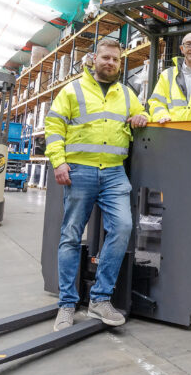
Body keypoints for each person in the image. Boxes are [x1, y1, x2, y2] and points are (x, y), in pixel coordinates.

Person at [44, 37, 148, 332]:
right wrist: (58, 160)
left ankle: (99, 299)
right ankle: (66, 304)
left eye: (115, 60)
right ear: (93, 59)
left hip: (114, 173)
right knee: (71, 236)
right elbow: (54, 126)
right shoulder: (73, 90)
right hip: (80, 171)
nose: (111, 63)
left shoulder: (127, 93)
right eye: (106, 58)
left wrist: (142, 116)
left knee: (123, 227)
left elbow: (141, 115)